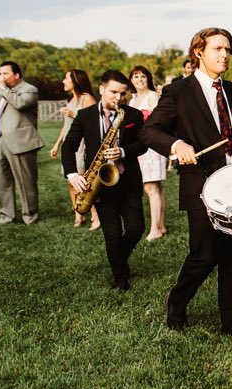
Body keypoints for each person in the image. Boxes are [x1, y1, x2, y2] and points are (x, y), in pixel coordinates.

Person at [141, 27, 232, 338]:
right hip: (203, 188)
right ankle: (176, 301)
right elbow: (150, 131)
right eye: (218, 49)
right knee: (204, 255)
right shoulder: (178, 92)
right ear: (198, 52)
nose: (225, 55)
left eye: (228, 50)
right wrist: (177, 145)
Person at [62, 71, 147, 291]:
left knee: (136, 229)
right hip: (100, 183)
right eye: (113, 92)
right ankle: (121, 277)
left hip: (128, 181)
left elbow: (143, 144)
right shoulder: (85, 116)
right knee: (112, 234)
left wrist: (123, 151)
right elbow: (68, 145)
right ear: (101, 89)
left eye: (122, 93)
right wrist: (73, 174)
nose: (118, 98)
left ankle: (118, 259)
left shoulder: (134, 115)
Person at [0, 61, 43, 225]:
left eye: (5, 73)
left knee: (25, 181)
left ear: (17, 75)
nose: (1, 77)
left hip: (20, 141)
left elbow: (20, 104)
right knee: (2, 181)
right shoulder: (1, 92)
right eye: (0, 73)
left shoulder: (30, 89)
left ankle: (30, 216)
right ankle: (7, 216)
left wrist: (3, 88)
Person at [49, 69, 100, 228]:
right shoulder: (71, 100)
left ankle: (95, 216)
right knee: (71, 182)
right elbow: (66, 126)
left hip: (81, 145)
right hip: (69, 145)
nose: (63, 81)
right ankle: (78, 214)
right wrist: (57, 143)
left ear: (76, 80)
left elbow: (93, 123)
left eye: (66, 78)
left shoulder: (87, 99)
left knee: (84, 182)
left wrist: (73, 114)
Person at [128, 65, 168, 241]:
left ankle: (155, 230)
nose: (139, 80)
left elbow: (160, 120)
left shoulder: (153, 97)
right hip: (138, 145)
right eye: (136, 77)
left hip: (152, 146)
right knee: (155, 188)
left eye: (143, 76)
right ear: (131, 80)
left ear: (148, 79)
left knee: (151, 187)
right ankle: (162, 225)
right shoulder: (133, 99)